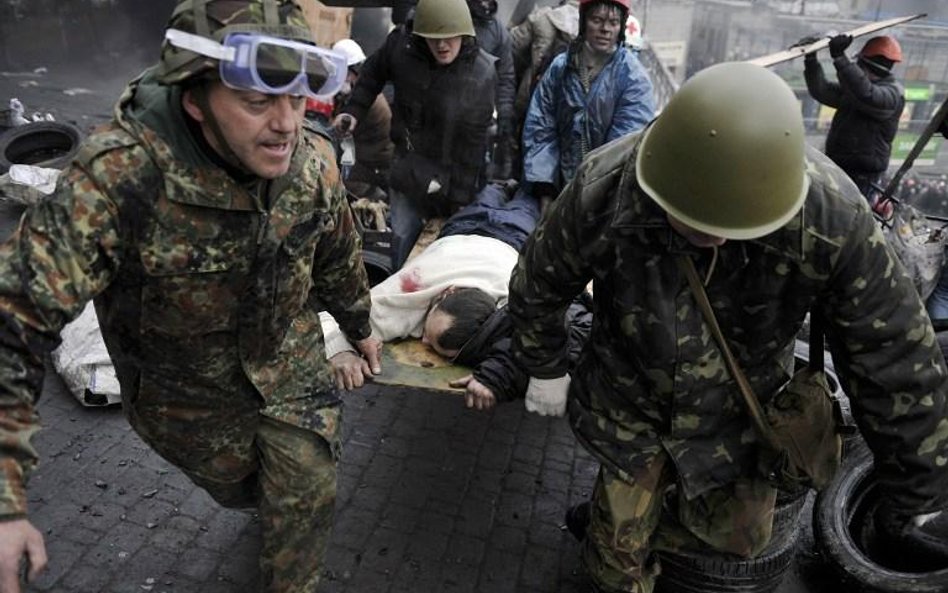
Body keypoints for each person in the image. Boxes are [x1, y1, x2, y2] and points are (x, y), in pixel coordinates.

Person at [507, 62, 948, 593]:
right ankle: (615, 530)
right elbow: (539, 281)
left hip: (741, 415)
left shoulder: (831, 219)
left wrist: (919, 495)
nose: (712, 239)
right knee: (615, 560)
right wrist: (545, 364)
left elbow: (892, 353)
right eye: (695, 221)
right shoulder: (605, 189)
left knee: (739, 540)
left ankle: (638, 527)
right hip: (632, 404)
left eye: (731, 227)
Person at [0, 2, 381, 592]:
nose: (286, 124)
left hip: (288, 366)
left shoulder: (311, 164)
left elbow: (336, 252)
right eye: (258, 101)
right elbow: (15, 317)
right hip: (186, 399)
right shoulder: (120, 179)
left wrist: (360, 325)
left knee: (305, 487)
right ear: (194, 99)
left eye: (298, 99)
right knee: (242, 485)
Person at [321, 184, 592, 410]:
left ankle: (521, 188)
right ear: (445, 293)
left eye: (433, 342)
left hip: (509, 235)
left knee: (526, 202)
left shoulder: (514, 293)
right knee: (491, 195)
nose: (423, 340)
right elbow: (333, 317)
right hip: (469, 229)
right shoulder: (412, 289)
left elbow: (571, 328)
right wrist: (341, 350)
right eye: (431, 336)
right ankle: (502, 187)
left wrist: (500, 374)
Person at [332, 0, 497, 271]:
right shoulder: (401, 46)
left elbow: (473, 146)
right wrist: (353, 111)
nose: (442, 46)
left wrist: (458, 202)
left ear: (464, 34)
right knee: (402, 240)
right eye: (434, 39)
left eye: (449, 38)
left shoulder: (480, 73)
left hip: (453, 174)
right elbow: (372, 73)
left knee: (446, 250)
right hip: (408, 165)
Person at [521, 0, 655, 211]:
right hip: (553, 189)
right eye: (597, 20)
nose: (605, 29)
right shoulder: (560, 68)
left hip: (604, 200)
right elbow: (541, 127)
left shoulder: (633, 78)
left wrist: (593, 195)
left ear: (621, 27)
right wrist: (544, 188)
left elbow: (624, 146)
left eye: (613, 22)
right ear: (584, 22)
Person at [803, 34, 906, 201]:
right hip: (839, 166)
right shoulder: (856, 93)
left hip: (861, 176)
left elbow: (866, 94)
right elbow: (822, 90)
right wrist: (811, 59)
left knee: (846, 220)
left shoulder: (891, 95)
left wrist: (840, 58)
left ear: (866, 66)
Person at [330, 38, 394, 198]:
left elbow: (339, 134)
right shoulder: (359, 93)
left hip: (375, 162)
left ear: (352, 72)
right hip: (370, 155)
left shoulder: (364, 102)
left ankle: (371, 198)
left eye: (341, 72)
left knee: (336, 177)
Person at [466, 0, 516, 180]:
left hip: (478, 118)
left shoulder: (497, 31)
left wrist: (504, 113)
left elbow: (505, 77)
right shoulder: (445, 17)